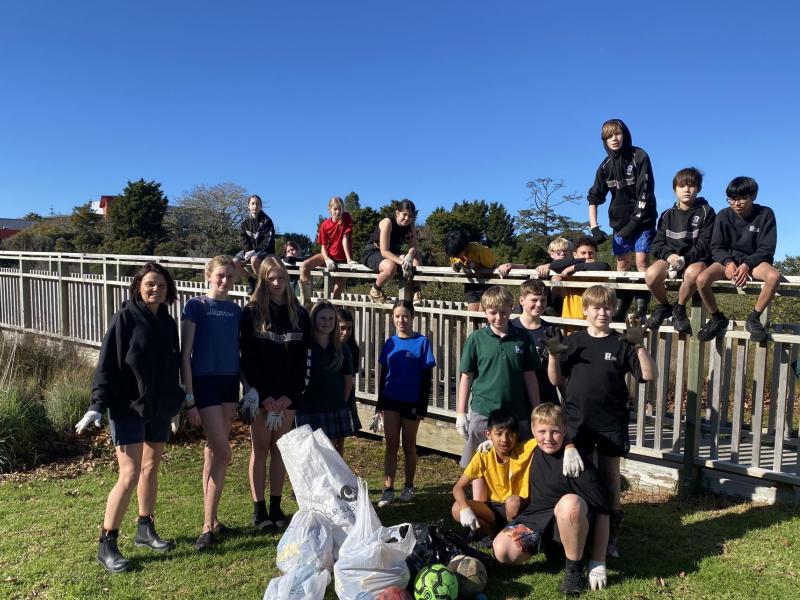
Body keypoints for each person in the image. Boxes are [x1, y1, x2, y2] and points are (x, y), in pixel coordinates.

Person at [75, 262, 184, 573]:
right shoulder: (124, 318)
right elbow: (107, 362)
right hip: (127, 408)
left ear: (168, 290)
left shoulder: (166, 321)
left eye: (161, 286)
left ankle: (145, 529)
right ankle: (107, 543)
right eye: (150, 284)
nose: (155, 289)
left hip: (158, 408)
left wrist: (176, 403)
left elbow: (171, 367)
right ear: (138, 286)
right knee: (130, 473)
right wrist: (97, 404)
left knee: (151, 467)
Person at [547, 285, 657, 558]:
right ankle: (579, 529)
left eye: (608, 307)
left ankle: (611, 537)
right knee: (579, 477)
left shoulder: (622, 342)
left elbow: (648, 375)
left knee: (609, 479)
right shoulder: (574, 342)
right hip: (577, 422)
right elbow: (556, 380)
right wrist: (553, 355)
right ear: (585, 310)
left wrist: (639, 345)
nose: (602, 313)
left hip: (611, 423)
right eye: (596, 307)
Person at [492, 403, 611, 596]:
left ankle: (574, 569)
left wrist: (598, 561)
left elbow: (604, 513)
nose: (548, 438)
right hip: (537, 517)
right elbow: (503, 442)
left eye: (555, 432)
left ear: (564, 430)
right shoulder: (530, 449)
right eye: (542, 431)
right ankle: (552, 550)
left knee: (569, 504)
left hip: (570, 520)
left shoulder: (575, 462)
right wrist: (488, 444)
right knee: (501, 551)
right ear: (532, 430)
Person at [239, 256, 311, 530]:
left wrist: (289, 397)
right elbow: (247, 358)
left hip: (288, 398)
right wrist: (265, 397)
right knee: (260, 449)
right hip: (261, 397)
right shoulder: (252, 312)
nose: (278, 283)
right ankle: (259, 510)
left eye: (281, 277)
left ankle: (276, 505)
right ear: (263, 281)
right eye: (272, 279)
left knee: (280, 451)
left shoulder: (300, 314)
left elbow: (304, 359)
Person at [179, 255, 242, 551]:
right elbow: (185, 355)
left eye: (230, 276)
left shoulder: (236, 310)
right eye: (220, 275)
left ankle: (213, 519)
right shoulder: (196, 307)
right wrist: (189, 398)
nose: (225, 281)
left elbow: (240, 352)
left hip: (229, 383)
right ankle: (206, 527)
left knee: (213, 451)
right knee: (224, 452)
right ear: (208, 275)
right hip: (204, 384)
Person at [455, 286, 540, 500]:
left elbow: (530, 376)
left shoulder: (523, 338)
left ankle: (513, 505)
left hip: (517, 411)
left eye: (503, 312)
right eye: (493, 312)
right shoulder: (476, 339)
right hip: (484, 409)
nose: (499, 317)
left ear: (511, 309)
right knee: (480, 459)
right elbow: (467, 375)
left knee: (518, 458)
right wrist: (460, 412)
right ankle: (480, 508)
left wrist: (536, 410)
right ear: (485, 311)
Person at [694, 176, 781, 343]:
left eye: (742, 198)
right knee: (702, 279)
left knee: (774, 277)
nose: (736, 203)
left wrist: (747, 264)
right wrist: (728, 262)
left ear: (753, 196)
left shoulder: (766, 214)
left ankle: (754, 318)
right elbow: (716, 247)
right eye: (732, 199)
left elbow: (767, 248)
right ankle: (717, 318)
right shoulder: (723, 215)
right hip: (728, 261)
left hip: (755, 262)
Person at [587, 118, 657, 318]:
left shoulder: (639, 156)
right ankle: (620, 306)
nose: (614, 139)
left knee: (642, 260)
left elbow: (646, 192)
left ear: (624, 134)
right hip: (619, 223)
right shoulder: (605, 166)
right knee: (622, 263)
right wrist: (594, 227)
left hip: (643, 220)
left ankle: (642, 305)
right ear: (604, 141)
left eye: (617, 134)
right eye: (609, 136)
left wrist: (634, 222)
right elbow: (594, 196)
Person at [376, 300, 436, 507]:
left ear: (412, 317)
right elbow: (384, 374)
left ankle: (409, 486)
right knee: (391, 445)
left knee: (409, 445)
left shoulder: (422, 342)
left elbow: (427, 378)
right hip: (391, 400)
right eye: (397, 316)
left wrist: (422, 407)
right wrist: (379, 405)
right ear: (392, 318)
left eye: (405, 316)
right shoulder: (390, 342)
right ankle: (388, 489)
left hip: (411, 402)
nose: (401, 320)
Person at [645, 167, 716, 333]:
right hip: (671, 259)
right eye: (682, 186)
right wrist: (669, 256)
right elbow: (657, 244)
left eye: (691, 185)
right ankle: (663, 306)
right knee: (651, 275)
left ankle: (679, 307)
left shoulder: (707, 212)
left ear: (698, 188)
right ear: (674, 189)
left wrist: (684, 259)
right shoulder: (666, 215)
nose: (687, 189)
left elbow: (705, 244)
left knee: (692, 274)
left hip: (696, 259)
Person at [451, 410, 535, 537]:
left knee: (513, 502)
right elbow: (458, 487)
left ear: (517, 436)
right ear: (488, 434)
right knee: (457, 508)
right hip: (493, 506)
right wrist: (465, 508)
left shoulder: (524, 449)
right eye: (499, 434)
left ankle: (511, 536)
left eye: (510, 435)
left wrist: (569, 448)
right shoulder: (483, 455)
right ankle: (491, 534)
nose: (504, 439)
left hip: (518, 506)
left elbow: (545, 437)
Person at [296, 300, 355, 456]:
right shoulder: (304, 345)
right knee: (311, 454)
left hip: (334, 407)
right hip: (308, 407)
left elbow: (348, 381)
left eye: (331, 319)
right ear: (314, 318)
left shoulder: (342, 349)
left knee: (333, 454)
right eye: (323, 318)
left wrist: (340, 403)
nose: (327, 322)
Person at [510, 279, 563, 405]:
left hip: (546, 399)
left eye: (543, 300)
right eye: (534, 300)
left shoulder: (552, 331)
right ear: (522, 300)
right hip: (516, 400)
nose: (539, 304)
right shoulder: (509, 329)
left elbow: (560, 376)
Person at [361, 199, 423, 305]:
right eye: (405, 214)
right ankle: (375, 290)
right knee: (390, 267)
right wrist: (402, 262)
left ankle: (416, 291)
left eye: (411, 216)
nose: (407, 218)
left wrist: (409, 256)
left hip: (393, 252)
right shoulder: (387, 222)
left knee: (415, 256)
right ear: (397, 213)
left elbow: (414, 246)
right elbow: (384, 251)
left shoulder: (411, 225)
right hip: (374, 251)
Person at [299, 196, 355, 307]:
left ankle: (332, 311)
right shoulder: (324, 225)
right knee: (304, 266)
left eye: (340, 208)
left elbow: (345, 239)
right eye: (335, 209)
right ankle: (306, 303)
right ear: (329, 209)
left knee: (338, 287)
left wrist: (349, 259)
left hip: (343, 258)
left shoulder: (346, 217)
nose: (338, 211)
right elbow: (323, 247)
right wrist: (327, 259)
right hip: (328, 255)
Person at [544, 236, 610, 323]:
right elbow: (555, 265)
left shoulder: (599, 267)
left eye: (591, 253)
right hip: (573, 316)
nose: (587, 256)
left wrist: (576, 266)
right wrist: (577, 264)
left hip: (596, 318)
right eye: (583, 253)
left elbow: (604, 266)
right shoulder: (568, 266)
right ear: (575, 255)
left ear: (596, 253)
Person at [444, 229, 496, 312]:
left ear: (465, 247)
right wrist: (456, 266)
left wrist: (476, 265)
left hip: (488, 283)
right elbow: (455, 265)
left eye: (457, 254)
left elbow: (492, 265)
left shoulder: (479, 250)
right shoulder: (454, 252)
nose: (455, 257)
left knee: (482, 313)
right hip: (472, 285)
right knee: (472, 315)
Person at [234, 194, 276, 292]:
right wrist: (248, 250)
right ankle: (252, 281)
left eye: (257, 204)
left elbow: (268, 241)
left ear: (261, 206)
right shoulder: (244, 223)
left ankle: (262, 284)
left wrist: (255, 251)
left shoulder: (267, 221)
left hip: (265, 252)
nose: (255, 206)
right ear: (248, 206)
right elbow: (243, 238)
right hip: (250, 251)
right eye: (252, 204)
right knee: (234, 262)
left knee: (254, 259)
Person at [337, 307, 362, 433]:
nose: (346, 332)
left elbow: (351, 376)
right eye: (341, 328)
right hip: (328, 391)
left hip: (345, 392)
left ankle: (339, 453)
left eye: (349, 328)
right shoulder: (327, 346)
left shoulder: (353, 349)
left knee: (342, 434)